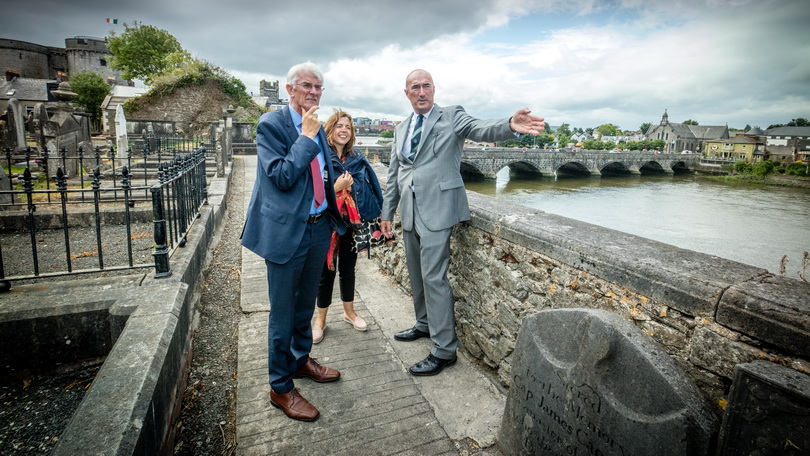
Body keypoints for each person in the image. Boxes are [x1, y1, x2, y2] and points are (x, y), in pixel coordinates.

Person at [380, 69, 545, 376]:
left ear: (434, 89)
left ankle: (444, 350)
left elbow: (480, 128)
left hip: (438, 210)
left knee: (434, 278)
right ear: (407, 93)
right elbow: (395, 174)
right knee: (416, 273)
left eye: (426, 85)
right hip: (410, 210)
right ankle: (424, 324)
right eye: (414, 87)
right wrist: (387, 213)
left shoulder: (452, 116)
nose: (421, 91)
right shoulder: (401, 128)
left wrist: (510, 125)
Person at [241, 62, 346, 422]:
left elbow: (324, 172)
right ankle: (280, 386)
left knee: (304, 306)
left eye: (319, 87)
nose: (314, 93)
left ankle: (300, 361)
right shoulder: (273, 124)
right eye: (306, 86)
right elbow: (283, 177)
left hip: (318, 228)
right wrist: (305, 136)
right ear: (289, 89)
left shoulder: (316, 124)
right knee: (283, 314)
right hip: (288, 232)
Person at [313, 110, 385, 342]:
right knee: (326, 273)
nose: (344, 130)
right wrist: (337, 187)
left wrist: (381, 217)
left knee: (348, 269)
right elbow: (311, 193)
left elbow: (374, 189)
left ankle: (349, 313)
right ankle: (321, 320)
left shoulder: (358, 160)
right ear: (330, 130)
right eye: (339, 126)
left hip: (353, 225)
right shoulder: (319, 157)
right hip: (327, 224)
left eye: (348, 127)